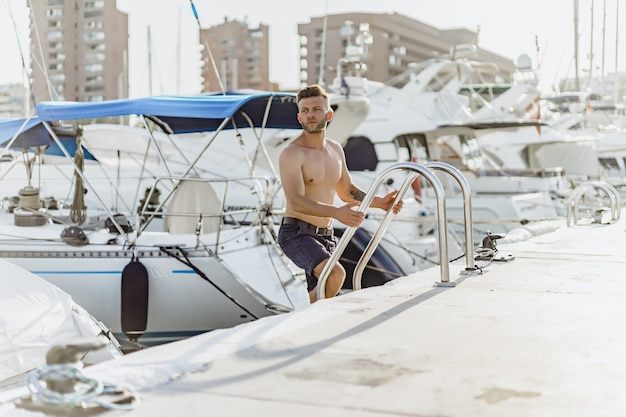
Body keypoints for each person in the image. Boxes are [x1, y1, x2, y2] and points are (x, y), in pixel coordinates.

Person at [278, 84, 403, 304]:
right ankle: (304, 316)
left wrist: (381, 203)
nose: (310, 115)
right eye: (305, 111)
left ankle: (308, 322)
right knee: (335, 275)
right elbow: (296, 201)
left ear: (328, 114)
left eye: (316, 109)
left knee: (321, 293)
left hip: (326, 236)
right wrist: (336, 213)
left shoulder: (335, 149)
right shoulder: (292, 153)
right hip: (297, 233)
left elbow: (348, 191)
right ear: (299, 117)